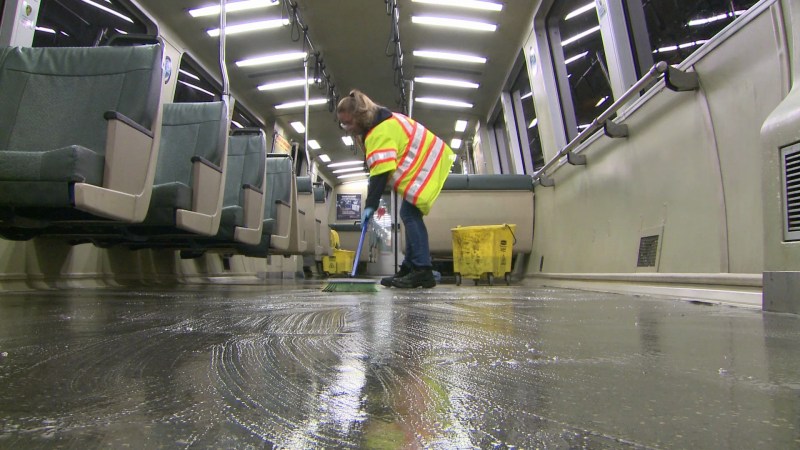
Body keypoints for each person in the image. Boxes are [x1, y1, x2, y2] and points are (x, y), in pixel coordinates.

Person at [337, 89, 455, 288]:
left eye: (348, 123)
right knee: (407, 213)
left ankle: (422, 270)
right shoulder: (380, 123)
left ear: (359, 117)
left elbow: (380, 174)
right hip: (427, 164)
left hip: (427, 167)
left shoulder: (380, 132)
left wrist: (370, 205)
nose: (346, 128)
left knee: (409, 214)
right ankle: (410, 268)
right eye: (343, 124)